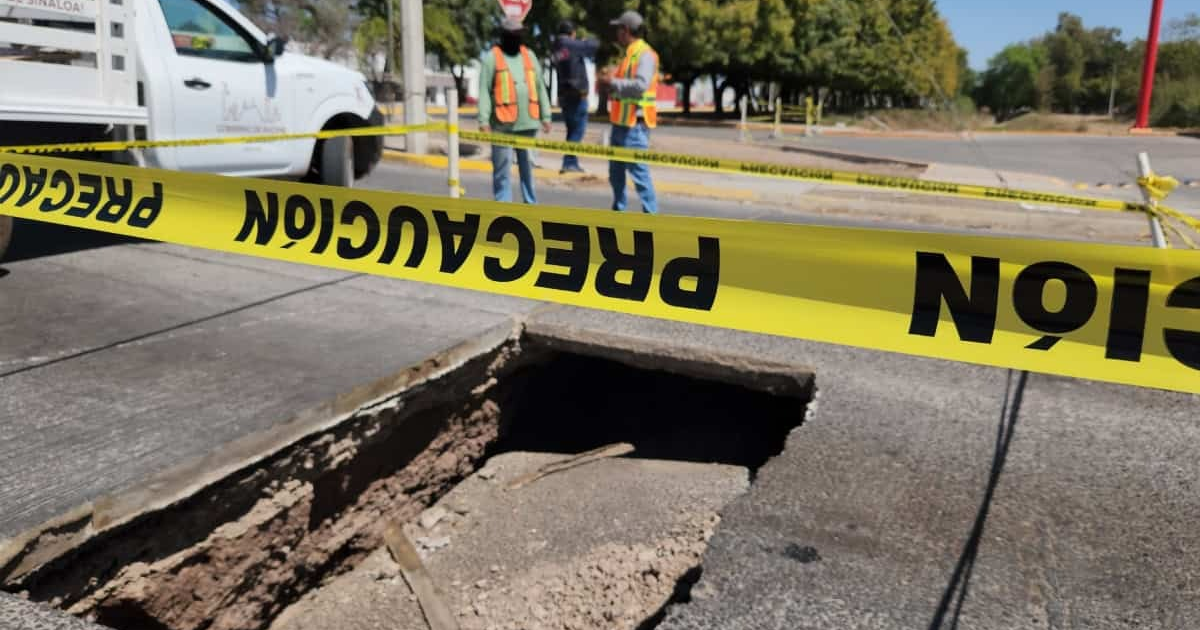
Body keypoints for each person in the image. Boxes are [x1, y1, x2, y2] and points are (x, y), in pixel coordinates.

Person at [476, 18, 552, 204]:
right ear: (504, 36)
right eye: (513, 35)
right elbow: (484, 90)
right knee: (502, 169)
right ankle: (503, 205)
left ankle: (530, 204)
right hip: (503, 125)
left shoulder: (530, 56)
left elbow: (540, 86)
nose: (516, 38)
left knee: (528, 169)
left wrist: (546, 115)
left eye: (519, 35)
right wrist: (483, 120)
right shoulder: (493, 58)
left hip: (528, 123)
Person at [597, 10, 658, 214]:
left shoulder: (645, 55)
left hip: (635, 127)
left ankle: (652, 218)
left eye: (618, 29)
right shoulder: (629, 55)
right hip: (621, 124)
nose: (616, 34)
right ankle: (618, 213)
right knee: (615, 174)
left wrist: (612, 82)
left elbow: (641, 85)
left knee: (639, 175)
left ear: (626, 30)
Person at [552, 20, 599, 174]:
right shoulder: (572, 44)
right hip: (577, 94)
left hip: (565, 94)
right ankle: (569, 162)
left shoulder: (556, 47)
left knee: (571, 130)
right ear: (572, 33)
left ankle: (570, 161)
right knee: (578, 130)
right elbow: (594, 45)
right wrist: (584, 41)